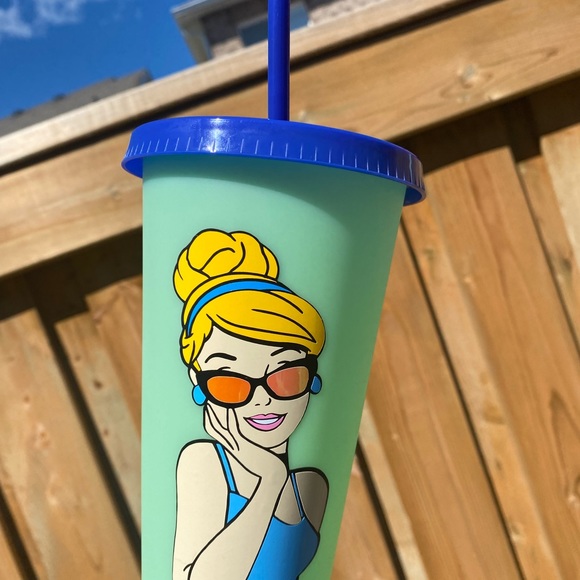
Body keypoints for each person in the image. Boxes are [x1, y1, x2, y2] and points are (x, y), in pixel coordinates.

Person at [172, 229, 329, 580]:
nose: (262, 398)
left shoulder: (311, 486)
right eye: (230, 382)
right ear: (199, 382)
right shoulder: (205, 462)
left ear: (312, 377)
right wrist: (269, 479)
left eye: (285, 375)